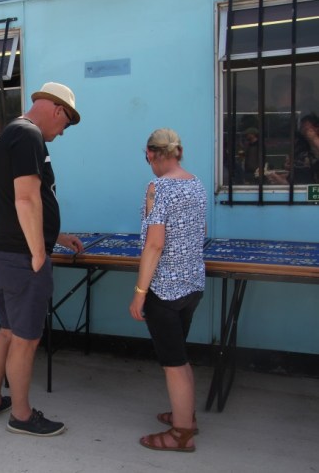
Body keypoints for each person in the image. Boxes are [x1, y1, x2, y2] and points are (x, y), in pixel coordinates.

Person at [0, 82, 83, 437]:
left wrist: (56, 236)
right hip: (20, 259)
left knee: (7, 332)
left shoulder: (11, 133)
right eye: (66, 123)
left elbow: (16, 202)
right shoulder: (29, 136)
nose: (62, 132)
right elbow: (25, 199)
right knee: (25, 340)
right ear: (57, 110)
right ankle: (21, 416)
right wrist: (39, 253)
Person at [129, 128, 206, 453]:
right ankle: (185, 415)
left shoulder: (158, 188)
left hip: (165, 290)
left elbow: (155, 244)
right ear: (179, 152)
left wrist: (140, 292)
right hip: (192, 285)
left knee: (173, 364)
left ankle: (181, 434)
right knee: (181, 358)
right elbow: (198, 231)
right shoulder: (196, 184)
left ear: (150, 154)